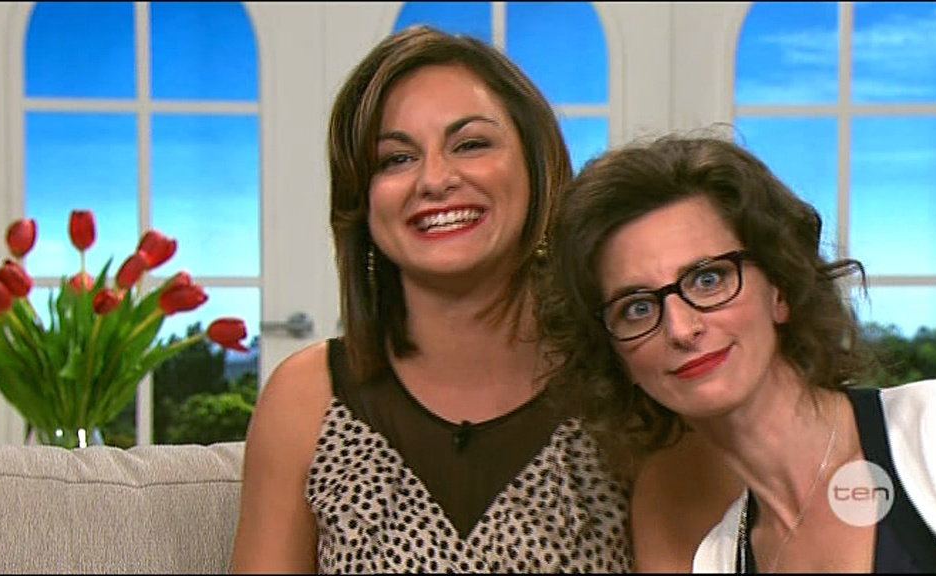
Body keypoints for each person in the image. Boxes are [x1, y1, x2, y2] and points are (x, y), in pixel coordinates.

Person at [231, 25, 649, 573]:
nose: (434, 179)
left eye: (470, 145)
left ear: (536, 165)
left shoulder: (628, 378)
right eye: (395, 159)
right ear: (361, 201)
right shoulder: (305, 398)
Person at [539, 130, 936, 573]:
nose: (681, 328)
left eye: (708, 279)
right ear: (616, 357)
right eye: (637, 308)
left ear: (780, 288)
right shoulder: (715, 562)